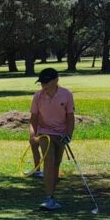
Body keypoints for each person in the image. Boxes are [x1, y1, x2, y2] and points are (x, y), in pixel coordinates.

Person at [29, 68, 75, 211]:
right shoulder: (38, 96)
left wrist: (69, 134)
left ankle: (52, 194)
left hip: (61, 134)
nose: (43, 85)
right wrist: (32, 135)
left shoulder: (66, 94)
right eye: (41, 82)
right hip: (45, 133)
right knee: (48, 162)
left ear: (56, 80)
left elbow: (70, 118)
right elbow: (33, 119)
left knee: (56, 164)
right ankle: (49, 198)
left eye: (46, 82)